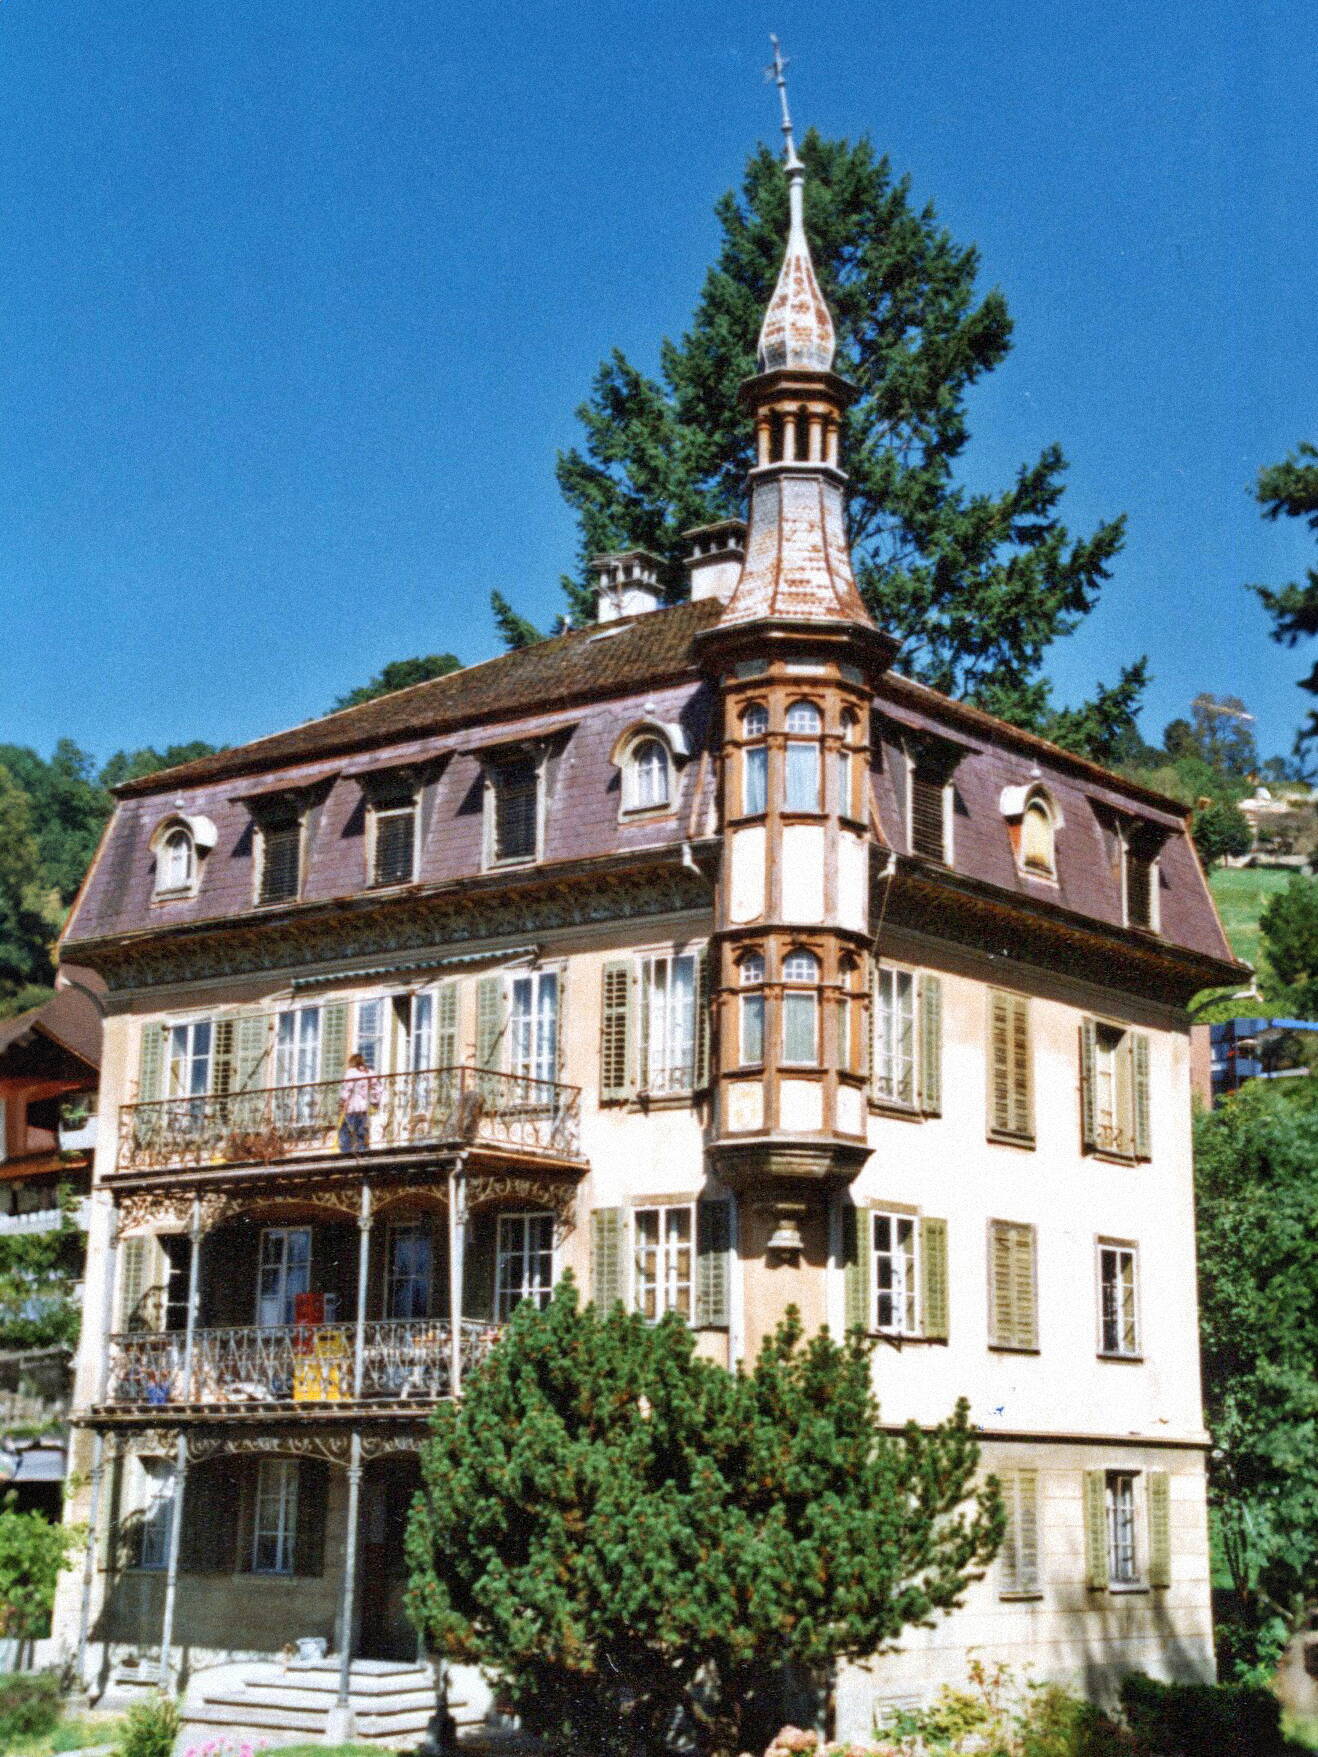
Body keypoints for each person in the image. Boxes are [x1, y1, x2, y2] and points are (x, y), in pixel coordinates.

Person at [338, 1052, 381, 1153]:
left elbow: (346, 1089)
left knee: (346, 1132)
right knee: (362, 1133)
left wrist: (342, 1101)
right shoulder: (369, 1072)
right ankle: (363, 1152)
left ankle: (346, 1154)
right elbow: (377, 1089)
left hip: (352, 1108)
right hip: (364, 1109)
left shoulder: (351, 1072)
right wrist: (374, 1101)